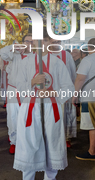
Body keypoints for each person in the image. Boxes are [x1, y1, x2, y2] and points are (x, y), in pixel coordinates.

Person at [13, 29, 74, 180]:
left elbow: (69, 88)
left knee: (51, 143)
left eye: (44, 41)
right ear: (33, 42)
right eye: (37, 40)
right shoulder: (25, 62)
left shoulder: (57, 63)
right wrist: (32, 82)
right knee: (29, 144)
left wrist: (52, 93)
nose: (40, 44)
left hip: (51, 109)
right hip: (30, 109)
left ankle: (50, 178)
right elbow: (18, 86)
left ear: (49, 42)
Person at [0, 32, 34, 154]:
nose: (29, 44)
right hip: (13, 90)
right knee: (12, 116)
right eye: (27, 41)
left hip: (29, 91)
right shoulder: (14, 54)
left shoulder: (35, 57)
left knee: (28, 117)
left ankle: (28, 141)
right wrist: (13, 47)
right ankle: (13, 141)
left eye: (31, 42)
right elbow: (2, 53)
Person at [50, 39, 77, 148]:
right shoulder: (45, 55)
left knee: (65, 115)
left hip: (63, 91)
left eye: (58, 42)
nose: (56, 44)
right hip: (49, 91)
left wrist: (74, 91)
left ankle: (66, 138)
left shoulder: (66, 55)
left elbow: (73, 73)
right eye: (54, 42)